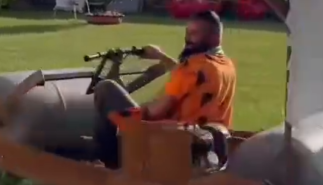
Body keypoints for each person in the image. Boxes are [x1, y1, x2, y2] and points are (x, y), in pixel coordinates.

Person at [93, 10, 237, 168]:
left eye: (194, 34)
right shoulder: (225, 66)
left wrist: (134, 108)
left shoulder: (192, 68)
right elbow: (191, 80)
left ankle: (113, 163)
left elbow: (155, 112)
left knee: (106, 89)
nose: (188, 39)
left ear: (214, 37)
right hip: (207, 140)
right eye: (188, 33)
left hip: (173, 139)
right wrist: (161, 56)